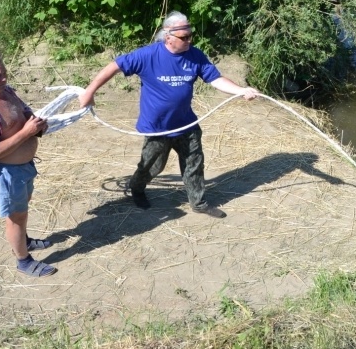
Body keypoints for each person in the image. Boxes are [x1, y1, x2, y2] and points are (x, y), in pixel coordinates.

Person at [78, 11, 259, 218]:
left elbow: (216, 79)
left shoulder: (195, 55)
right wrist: (90, 91)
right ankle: (137, 188)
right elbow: (114, 66)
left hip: (186, 124)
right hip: (157, 127)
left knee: (194, 163)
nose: (189, 40)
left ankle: (199, 203)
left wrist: (240, 91)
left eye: (190, 35)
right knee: (152, 166)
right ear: (168, 37)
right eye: (184, 37)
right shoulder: (147, 55)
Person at [0, 52, 56, 277]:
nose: (4, 79)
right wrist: (26, 133)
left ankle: (23, 241)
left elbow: (24, 112)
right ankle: (23, 261)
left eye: (4, 73)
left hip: (24, 168)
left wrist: (37, 123)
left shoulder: (6, 91)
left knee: (22, 209)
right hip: (7, 173)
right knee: (16, 216)